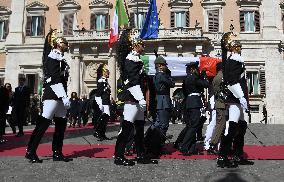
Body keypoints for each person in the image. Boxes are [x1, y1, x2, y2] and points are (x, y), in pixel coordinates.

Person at [25, 29, 72, 163]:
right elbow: (54, 79)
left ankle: (57, 152)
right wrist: (63, 96)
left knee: (61, 126)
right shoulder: (52, 57)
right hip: (52, 95)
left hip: (60, 95)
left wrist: (63, 96)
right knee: (42, 125)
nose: (66, 45)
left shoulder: (60, 58)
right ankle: (31, 150)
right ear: (57, 44)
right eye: (64, 43)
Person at [114, 29, 158, 166]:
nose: (143, 46)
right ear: (135, 44)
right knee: (127, 129)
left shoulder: (136, 59)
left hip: (137, 100)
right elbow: (132, 81)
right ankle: (119, 156)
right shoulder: (130, 60)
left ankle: (140, 154)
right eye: (141, 44)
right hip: (132, 99)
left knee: (139, 129)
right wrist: (140, 98)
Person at [217, 32, 254, 168]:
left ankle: (238, 154)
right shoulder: (234, 60)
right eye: (236, 45)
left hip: (238, 98)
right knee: (231, 128)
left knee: (241, 126)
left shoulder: (236, 59)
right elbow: (231, 81)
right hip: (235, 98)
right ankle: (223, 156)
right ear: (232, 48)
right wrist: (241, 97)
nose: (239, 47)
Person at [174, 61, 209, 156]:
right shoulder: (194, 77)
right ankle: (184, 146)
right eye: (196, 69)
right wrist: (203, 76)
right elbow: (206, 84)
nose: (198, 71)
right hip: (195, 103)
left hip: (189, 102)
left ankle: (191, 146)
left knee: (190, 125)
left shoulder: (186, 79)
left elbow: (184, 91)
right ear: (193, 69)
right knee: (194, 126)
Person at [144, 56, 175, 157]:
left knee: (157, 123)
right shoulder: (162, 75)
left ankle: (147, 138)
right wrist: (169, 74)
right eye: (165, 65)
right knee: (163, 125)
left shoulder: (156, 75)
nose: (166, 67)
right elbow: (172, 84)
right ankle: (158, 144)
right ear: (160, 66)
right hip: (163, 101)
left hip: (159, 100)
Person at [93, 63, 111, 141]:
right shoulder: (101, 81)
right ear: (104, 73)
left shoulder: (105, 81)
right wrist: (100, 104)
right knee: (104, 118)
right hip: (104, 102)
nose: (108, 74)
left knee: (106, 119)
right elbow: (98, 94)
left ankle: (102, 134)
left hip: (106, 101)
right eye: (107, 72)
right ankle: (97, 131)